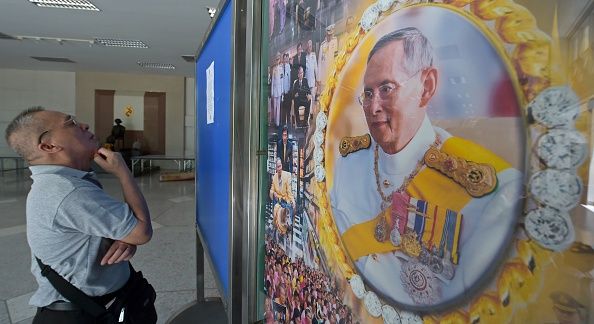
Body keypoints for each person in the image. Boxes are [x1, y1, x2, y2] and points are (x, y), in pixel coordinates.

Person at [329, 27, 522, 307]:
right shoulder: (349, 159)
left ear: (426, 86)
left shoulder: (492, 191)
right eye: (368, 94)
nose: (373, 107)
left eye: (386, 89)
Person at [4, 107, 153, 323]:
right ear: (49, 146)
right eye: (71, 123)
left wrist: (121, 235)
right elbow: (141, 232)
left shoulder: (62, 182)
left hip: (94, 305)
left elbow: (113, 230)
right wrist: (123, 171)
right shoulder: (67, 191)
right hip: (83, 313)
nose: (84, 125)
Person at [270, 158, 295, 241]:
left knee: (287, 215)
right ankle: (278, 229)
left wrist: (292, 200)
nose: (279, 168)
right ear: (275, 168)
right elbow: (272, 189)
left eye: (280, 166)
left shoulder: (287, 175)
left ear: (282, 166)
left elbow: (289, 191)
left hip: (285, 200)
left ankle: (287, 230)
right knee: (277, 213)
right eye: (277, 167)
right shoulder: (274, 177)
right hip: (278, 201)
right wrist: (274, 193)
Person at [318, 24, 338, 94]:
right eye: (328, 34)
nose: (329, 36)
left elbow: (337, 59)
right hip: (324, 77)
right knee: (323, 96)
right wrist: (319, 78)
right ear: (326, 34)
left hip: (332, 76)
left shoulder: (335, 42)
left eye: (331, 34)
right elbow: (319, 63)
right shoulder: (322, 45)